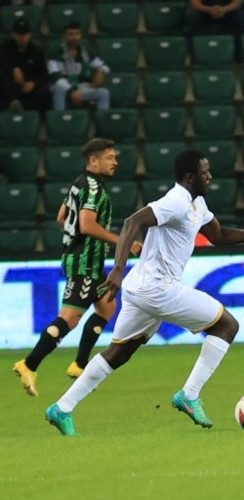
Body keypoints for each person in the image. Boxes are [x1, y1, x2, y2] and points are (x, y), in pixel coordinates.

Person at [43, 150, 244, 436]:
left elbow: (220, 236)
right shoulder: (175, 201)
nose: (210, 176)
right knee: (227, 325)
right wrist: (117, 268)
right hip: (156, 287)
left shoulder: (197, 203)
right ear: (190, 177)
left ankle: (61, 408)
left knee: (118, 353)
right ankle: (189, 395)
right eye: (205, 173)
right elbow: (132, 223)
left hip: (140, 288)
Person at [13, 139, 142, 397]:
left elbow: (62, 217)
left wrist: (82, 241)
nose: (115, 162)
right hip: (84, 262)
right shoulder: (93, 188)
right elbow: (86, 225)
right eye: (109, 157)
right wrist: (122, 243)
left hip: (88, 260)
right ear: (93, 161)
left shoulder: (78, 183)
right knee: (69, 318)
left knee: (107, 306)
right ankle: (29, 364)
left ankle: (79, 365)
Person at [48, 22, 110, 112]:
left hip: (80, 87)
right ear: (64, 36)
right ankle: (59, 119)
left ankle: (103, 122)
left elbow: (104, 66)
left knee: (104, 93)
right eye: (71, 34)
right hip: (64, 87)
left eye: (77, 34)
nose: (74, 37)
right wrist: (72, 91)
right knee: (59, 87)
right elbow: (55, 76)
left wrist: (101, 71)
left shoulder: (85, 52)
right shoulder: (55, 52)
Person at [0, 19, 50, 113]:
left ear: (29, 35)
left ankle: (38, 118)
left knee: (43, 93)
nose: (21, 37)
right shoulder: (5, 48)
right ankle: (13, 103)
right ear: (14, 34)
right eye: (19, 34)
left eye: (24, 34)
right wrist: (12, 69)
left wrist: (33, 83)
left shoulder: (36, 51)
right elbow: (2, 63)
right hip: (11, 86)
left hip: (30, 86)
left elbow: (43, 74)